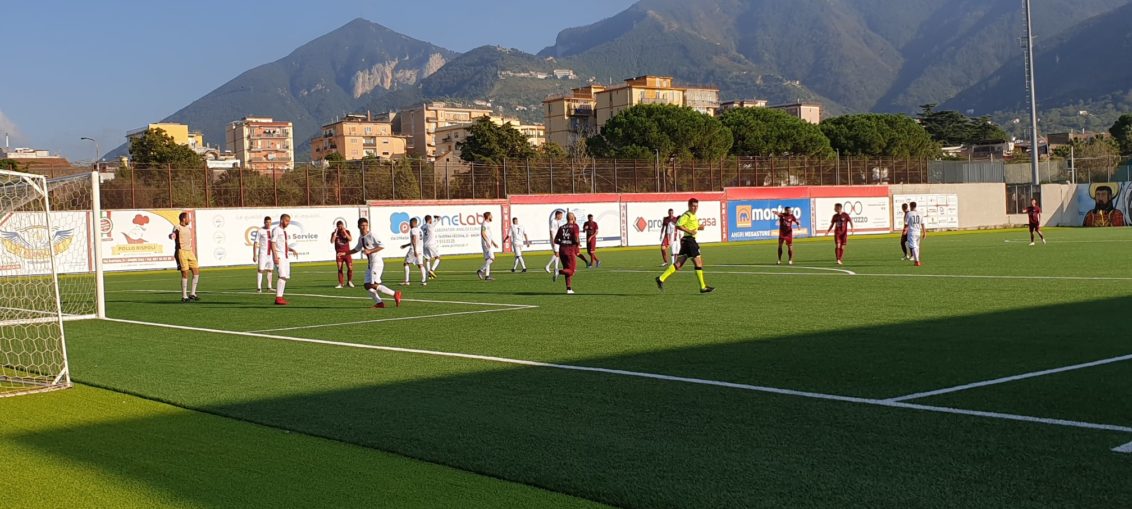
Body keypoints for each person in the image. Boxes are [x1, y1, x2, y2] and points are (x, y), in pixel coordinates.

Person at [655, 198, 714, 294]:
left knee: (678, 264)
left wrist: (699, 227)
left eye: (696, 206)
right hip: (690, 241)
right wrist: (690, 231)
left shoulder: (693, 215)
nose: (695, 208)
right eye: (693, 206)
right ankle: (703, 287)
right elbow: (678, 225)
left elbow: (692, 226)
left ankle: (661, 278)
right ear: (689, 206)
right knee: (698, 263)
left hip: (686, 242)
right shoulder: (687, 215)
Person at [348, 217, 401, 308]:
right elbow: (357, 249)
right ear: (358, 226)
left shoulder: (372, 235)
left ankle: (395, 294)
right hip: (370, 264)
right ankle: (379, 303)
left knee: (373, 284)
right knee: (366, 285)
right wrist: (345, 253)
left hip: (377, 263)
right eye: (362, 225)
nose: (364, 227)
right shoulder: (361, 237)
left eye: (366, 225)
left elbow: (382, 246)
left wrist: (370, 251)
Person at [269, 214, 300, 305]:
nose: (288, 223)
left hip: (285, 256)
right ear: (282, 220)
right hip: (279, 256)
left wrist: (291, 249)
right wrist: (275, 256)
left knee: (285, 277)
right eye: (286, 221)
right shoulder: (276, 230)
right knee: (282, 275)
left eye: (289, 221)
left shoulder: (283, 231)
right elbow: (273, 243)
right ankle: (278, 298)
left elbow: (283, 245)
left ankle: (280, 297)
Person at [170, 212, 200, 303]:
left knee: (196, 271)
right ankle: (184, 296)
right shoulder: (177, 227)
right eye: (188, 218)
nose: (189, 220)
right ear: (183, 219)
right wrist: (172, 236)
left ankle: (192, 294)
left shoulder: (187, 228)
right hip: (181, 252)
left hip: (190, 252)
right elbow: (173, 234)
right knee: (185, 273)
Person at [554, 212, 581, 294]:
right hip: (570, 250)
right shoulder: (575, 226)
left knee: (567, 269)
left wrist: (563, 243)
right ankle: (558, 271)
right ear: (573, 218)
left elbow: (555, 240)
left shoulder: (561, 227)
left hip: (562, 250)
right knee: (572, 271)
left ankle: (568, 289)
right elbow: (576, 238)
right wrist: (577, 243)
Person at [399, 217, 427, 286]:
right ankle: (424, 281)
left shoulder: (413, 230)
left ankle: (407, 281)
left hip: (413, 249)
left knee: (406, 263)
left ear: (413, 223)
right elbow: (416, 240)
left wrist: (414, 250)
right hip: (420, 249)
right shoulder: (420, 230)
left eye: (410, 223)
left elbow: (414, 239)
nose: (409, 225)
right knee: (420, 265)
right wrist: (406, 245)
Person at [252, 216, 274, 293]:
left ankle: (269, 287)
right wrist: (254, 255)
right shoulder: (260, 231)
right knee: (261, 270)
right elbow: (255, 243)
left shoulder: (273, 230)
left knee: (270, 270)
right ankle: (259, 288)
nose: (268, 224)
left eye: (270, 222)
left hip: (271, 254)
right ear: (264, 222)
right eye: (267, 222)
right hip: (263, 253)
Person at [331, 220, 354, 288]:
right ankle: (341, 283)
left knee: (350, 268)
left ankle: (349, 282)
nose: (340, 227)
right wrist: (335, 233)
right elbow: (332, 241)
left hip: (347, 253)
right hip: (339, 254)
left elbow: (350, 239)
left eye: (341, 226)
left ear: (343, 225)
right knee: (340, 268)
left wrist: (344, 232)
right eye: (338, 226)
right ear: (337, 227)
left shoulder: (347, 231)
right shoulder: (335, 233)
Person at [477, 211, 499, 281]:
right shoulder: (484, 224)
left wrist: (494, 242)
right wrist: (487, 242)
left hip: (488, 242)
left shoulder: (487, 224)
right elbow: (483, 233)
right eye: (491, 215)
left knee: (487, 259)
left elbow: (489, 235)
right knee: (492, 258)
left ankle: (487, 276)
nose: (492, 217)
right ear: (488, 216)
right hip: (486, 243)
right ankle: (481, 270)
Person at [905, 201, 926, 267]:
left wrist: (904, 231)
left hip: (911, 232)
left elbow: (906, 224)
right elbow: (923, 224)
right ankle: (917, 260)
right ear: (915, 206)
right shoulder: (920, 213)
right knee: (917, 247)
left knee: (914, 246)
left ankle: (917, 261)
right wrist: (924, 232)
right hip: (918, 232)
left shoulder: (909, 214)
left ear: (910, 206)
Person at [545, 209, 565, 274]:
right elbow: (551, 231)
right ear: (557, 215)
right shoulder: (553, 221)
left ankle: (556, 268)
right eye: (561, 215)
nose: (561, 217)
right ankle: (548, 266)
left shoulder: (559, 221)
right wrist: (553, 240)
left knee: (558, 254)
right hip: (554, 239)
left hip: (558, 239)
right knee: (557, 254)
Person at [421, 215, 441, 279]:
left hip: (424, 245)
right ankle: (432, 270)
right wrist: (436, 217)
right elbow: (439, 218)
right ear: (430, 220)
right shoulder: (431, 225)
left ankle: (429, 273)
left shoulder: (422, 227)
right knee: (438, 257)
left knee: (427, 259)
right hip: (431, 244)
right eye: (431, 219)